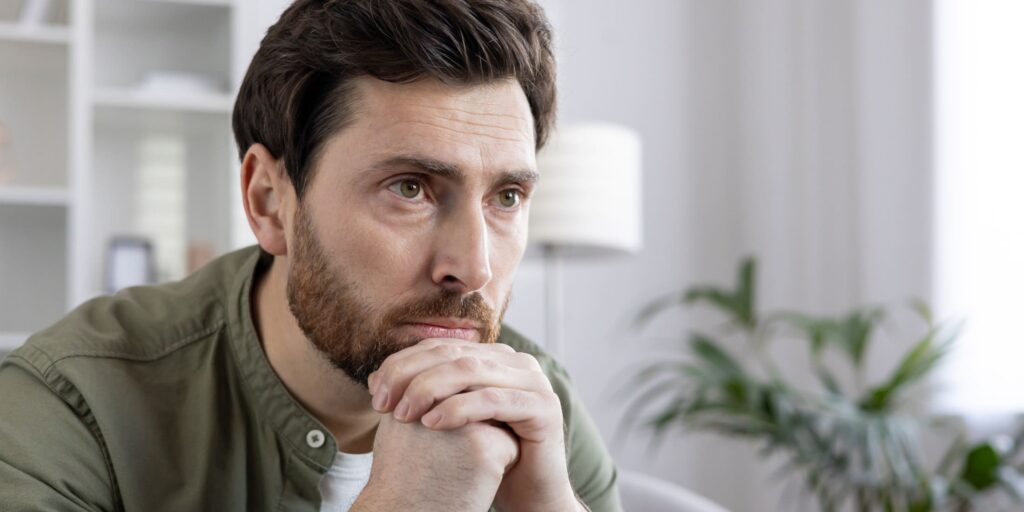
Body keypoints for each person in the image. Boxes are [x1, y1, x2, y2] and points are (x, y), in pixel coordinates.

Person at [0, 1, 622, 510]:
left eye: (507, 196)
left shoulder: (540, 411)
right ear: (269, 202)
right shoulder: (72, 407)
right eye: (410, 188)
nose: (474, 267)